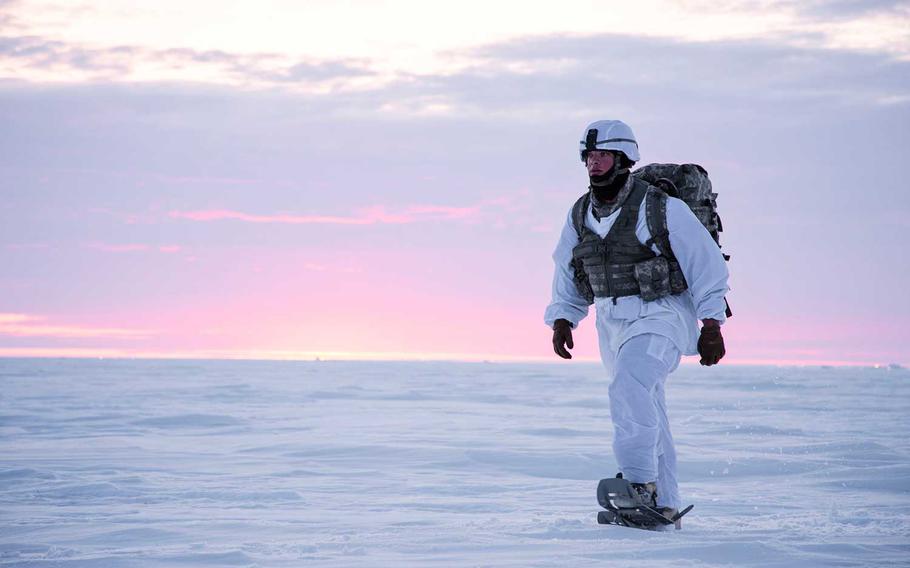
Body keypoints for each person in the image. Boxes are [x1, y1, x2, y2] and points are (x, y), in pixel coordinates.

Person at [544, 119, 730, 521]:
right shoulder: (580, 213)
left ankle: (639, 483)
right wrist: (564, 317)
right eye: (589, 157)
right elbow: (567, 268)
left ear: (624, 159)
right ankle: (664, 501)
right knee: (647, 406)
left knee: (629, 386)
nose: (594, 164)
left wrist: (712, 323)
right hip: (611, 322)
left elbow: (706, 263)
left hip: (662, 313)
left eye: (603, 156)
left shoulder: (660, 206)